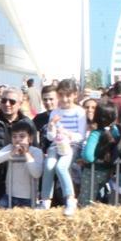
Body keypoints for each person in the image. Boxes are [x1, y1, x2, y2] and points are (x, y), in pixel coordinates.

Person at [38, 79, 85, 215]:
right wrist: (51, 126)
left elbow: (81, 135)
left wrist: (67, 134)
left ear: (75, 95)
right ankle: (45, 200)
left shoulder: (79, 112)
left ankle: (70, 199)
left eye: (68, 95)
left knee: (61, 167)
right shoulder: (55, 112)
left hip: (72, 145)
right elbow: (50, 137)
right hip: (56, 144)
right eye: (61, 95)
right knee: (49, 166)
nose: (64, 99)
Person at [0, 87, 30, 205]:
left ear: (19, 104)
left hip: (21, 183)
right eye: (3, 100)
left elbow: (34, 150)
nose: (7, 104)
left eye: (12, 101)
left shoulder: (28, 123)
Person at [0, 118, 43, 208]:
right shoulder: (10, 148)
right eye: (14, 136)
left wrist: (26, 153)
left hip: (28, 198)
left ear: (30, 139)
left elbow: (36, 173)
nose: (17, 139)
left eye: (22, 136)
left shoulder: (36, 152)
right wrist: (10, 153)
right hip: (9, 195)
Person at [78, 101, 119, 206]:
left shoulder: (95, 134)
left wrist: (90, 159)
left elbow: (88, 156)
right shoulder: (115, 131)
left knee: (86, 202)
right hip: (108, 171)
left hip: (92, 171)